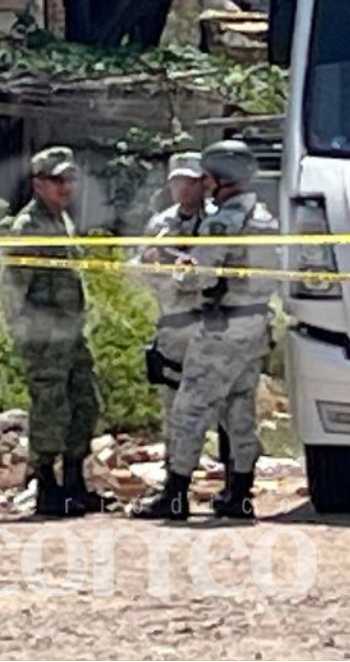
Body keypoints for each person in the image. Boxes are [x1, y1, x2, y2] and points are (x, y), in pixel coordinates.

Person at [131, 140, 278, 520]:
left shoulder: (221, 221)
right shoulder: (262, 216)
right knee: (239, 410)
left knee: (189, 409)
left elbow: (198, 276)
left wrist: (173, 262)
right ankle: (240, 495)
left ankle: (175, 494)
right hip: (255, 323)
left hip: (223, 326)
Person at [1, 147, 99, 517]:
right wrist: (27, 334)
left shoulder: (61, 221)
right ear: (39, 184)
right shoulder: (28, 227)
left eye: (70, 179)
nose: (66, 187)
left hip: (71, 335)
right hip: (44, 338)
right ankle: (46, 485)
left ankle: (74, 483)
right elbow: (12, 286)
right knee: (49, 409)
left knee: (85, 405)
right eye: (58, 180)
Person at [135, 152, 233, 468]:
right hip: (176, 325)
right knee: (175, 406)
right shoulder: (161, 225)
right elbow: (143, 270)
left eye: (190, 182)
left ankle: (233, 483)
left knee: (227, 405)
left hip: (215, 325)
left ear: (204, 183)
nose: (183, 189)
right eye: (177, 182)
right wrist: (160, 268)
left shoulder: (221, 221)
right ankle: (175, 479)